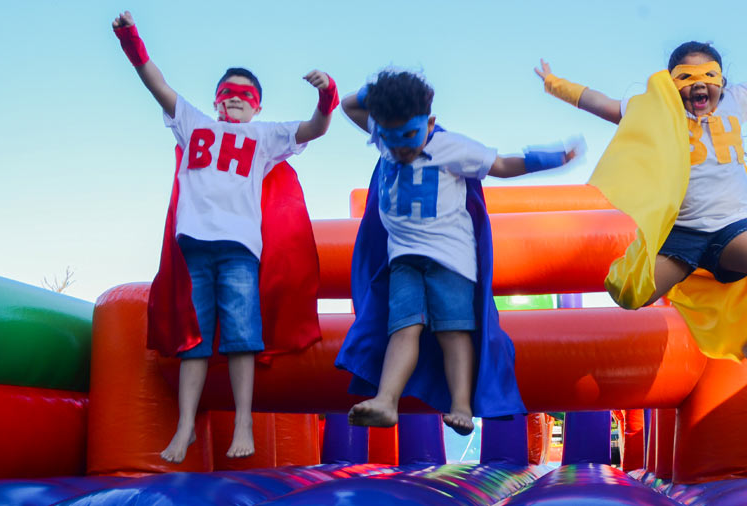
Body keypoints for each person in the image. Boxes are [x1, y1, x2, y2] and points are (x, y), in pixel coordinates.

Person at [111, 10, 337, 463]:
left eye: (245, 95)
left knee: (241, 336)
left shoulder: (264, 136)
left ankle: (243, 421)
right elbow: (155, 83)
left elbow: (314, 129)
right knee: (193, 340)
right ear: (216, 101)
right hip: (193, 248)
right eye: (227, 94)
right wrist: (131, 40)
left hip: (239, 251)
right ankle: (185, 427)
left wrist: (326, 95)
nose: (235, 100)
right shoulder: (194, 122)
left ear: (257, 107)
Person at [536, 34, 747, 388]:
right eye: (687, 78)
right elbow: (601, 103)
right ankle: (685, 275)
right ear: (672, 85)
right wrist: (554, 84)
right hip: (682, 234)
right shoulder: (657, 113)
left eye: (708, 76)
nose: (698, 85)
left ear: (720, 81)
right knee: (630, 295)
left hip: (733, 227)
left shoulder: (735, 103)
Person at [335, 70, 582, 434]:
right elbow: (349, 106)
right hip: (402, 259)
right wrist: (379, 89)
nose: (401, 150)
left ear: (429, 122)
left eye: (409, 138)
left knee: (454, 331)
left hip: (451, 260)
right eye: (390, 140)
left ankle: (461, 405)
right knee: (403, 328)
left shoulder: (451, 146)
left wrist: (549, 159)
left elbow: (501, 166)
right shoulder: (387, 133)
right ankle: (386, 400)